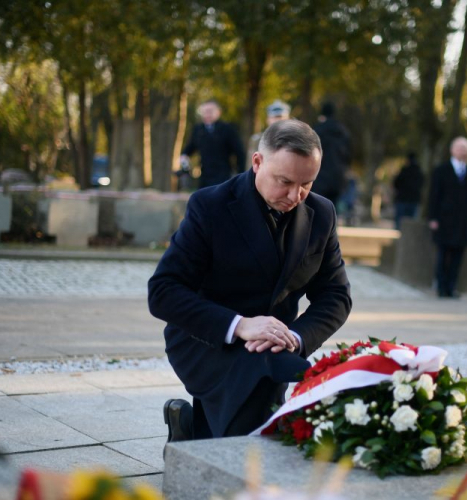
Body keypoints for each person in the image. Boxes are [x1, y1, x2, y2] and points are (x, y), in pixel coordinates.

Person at [149, 119, 352, 441]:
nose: (295, 195)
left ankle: (189, 431)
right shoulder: (210, 205)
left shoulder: (322, 213)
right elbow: (162, 291)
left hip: (276, 346)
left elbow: (336, 296)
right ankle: (197, 435)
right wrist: (240, 325)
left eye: (307, 184)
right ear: (257, 162)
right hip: (207, 339)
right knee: (257, 419)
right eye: (284, 181)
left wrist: (295, 337)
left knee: (274, 396)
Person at [428, 137, 467, 298]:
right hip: (444, 220)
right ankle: (441, 287)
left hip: (463, 222)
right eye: (459, 148)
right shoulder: (441, 170)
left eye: (465, 148)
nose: (462, 151)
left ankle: (452, 287)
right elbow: (433, 195)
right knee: (443, 256)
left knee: (458, 257)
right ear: (452, 150)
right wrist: (433, 217)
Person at [180, 100, 246, 189]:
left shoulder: (227, 129)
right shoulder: (198, 129)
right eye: (204, 112)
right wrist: (184, 155)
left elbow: (239, 152)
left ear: (218, 112)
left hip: (223, 175)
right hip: (204, 174)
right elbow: (191, 146)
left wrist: (240, 174)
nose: (207, 114)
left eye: (210, 111)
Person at [312, 102, 351, 207]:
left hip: (320, 177)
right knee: (333, 210)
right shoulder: (343, 132)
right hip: (338, 178)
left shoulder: (317, 130)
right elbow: (348, 157)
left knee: (318, 209)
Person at [393, 152, 425, 230]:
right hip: (413, 199)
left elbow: (396, 183)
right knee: (411, 221)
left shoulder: (404, 171)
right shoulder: (419, 172)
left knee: (400, 222)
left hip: (403, 199)